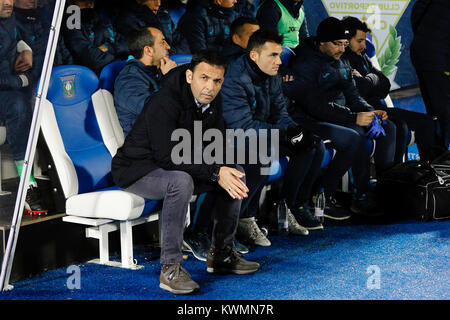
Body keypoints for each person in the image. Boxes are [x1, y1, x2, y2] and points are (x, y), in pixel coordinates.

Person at [111, 50, 260, 294]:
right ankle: (170, 267)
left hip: (177, 164)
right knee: (180, 181)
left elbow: (215, 144)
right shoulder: (164, 101)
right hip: (138, 169)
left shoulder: (213, 100)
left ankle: (222, 254)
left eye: (217, 81)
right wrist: (214, 172)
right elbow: (166, 157)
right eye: (204, 78)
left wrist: (224, 169)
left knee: (235, 172)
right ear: (190, 76)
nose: (210, 87)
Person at [221, 29, 325, 246]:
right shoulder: (234, 78)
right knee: (262, 152)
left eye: (279, 55)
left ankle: (285, 208)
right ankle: (244, 219)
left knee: (312, 145)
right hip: (231, 138)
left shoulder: (272, 75)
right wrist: (285, 133)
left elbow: (281, 113)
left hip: (263, 132)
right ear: (254, 56)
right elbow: (242, 126)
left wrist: (295, 130)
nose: (279, 61)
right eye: (273, 55)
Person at [284, 17, 397, 216]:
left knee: (389, 127)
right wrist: (354, 117)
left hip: (336, 114)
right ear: (322, 42)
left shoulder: (341, 59)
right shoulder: (306, 63)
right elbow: (314, 105)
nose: (342, 49)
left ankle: (380, 192)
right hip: (310, 118)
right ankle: (324, 196)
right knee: (354, 136)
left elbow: (353, 95)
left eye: (345, 44)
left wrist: (369, 111)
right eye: (337, 44)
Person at [342, 16, 436, 163]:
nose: (364, 46)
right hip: (366, 112)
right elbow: (359, 91)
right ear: (347, 40)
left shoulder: (363, 57)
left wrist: (369, 80)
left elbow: (385, 85)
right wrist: (373, 81)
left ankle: (429, 173)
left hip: (380, 109)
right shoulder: (343, 60)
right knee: (399, 126)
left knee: (427, 122)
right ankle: (393, 177)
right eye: (359, 41)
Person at [0, 0, 47, 214]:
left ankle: (52, 169)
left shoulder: (9, 19)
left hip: (8, 87)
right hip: (8, 87)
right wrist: (20, 82)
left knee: (41, 96)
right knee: (19, 105)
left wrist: (26, 49)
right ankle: (27, 183)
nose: (8, 2)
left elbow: (16, 38)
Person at [114, 27, 177, 136]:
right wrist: (170, 78)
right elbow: (157, 111)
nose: (168, 46)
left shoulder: (156, 71)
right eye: (162, 42)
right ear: (148, 50)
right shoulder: (128, 80)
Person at [410, 0, 449, 151]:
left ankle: (436, 154)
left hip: (423, 53)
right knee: (443, 110)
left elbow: (418, 10)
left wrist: (424, 37)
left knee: (435, 110)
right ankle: (442, 156)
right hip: (439, 57)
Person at [63, 0, 128, 75]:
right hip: (91, 76)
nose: (89, 3)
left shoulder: (101, 20)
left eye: (91, 1)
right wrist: (118, 58)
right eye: (82, 1)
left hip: (116, 68)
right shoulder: (71, 25)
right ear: (71, 2)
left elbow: (127, 44)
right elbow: (89, 57)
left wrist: (108, 47)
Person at [14, 0, 73, 82]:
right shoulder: (9, 26)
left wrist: (69, 74)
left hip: (59, 84)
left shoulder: (48, 23)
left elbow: (65, 54)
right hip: (31, 88)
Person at [114, 0, 189, 55]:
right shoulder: (127, 20)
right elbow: (138, 50)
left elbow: (183, 44)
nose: (158, 3)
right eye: (153, 0)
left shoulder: (164, 17)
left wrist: (170, 53)